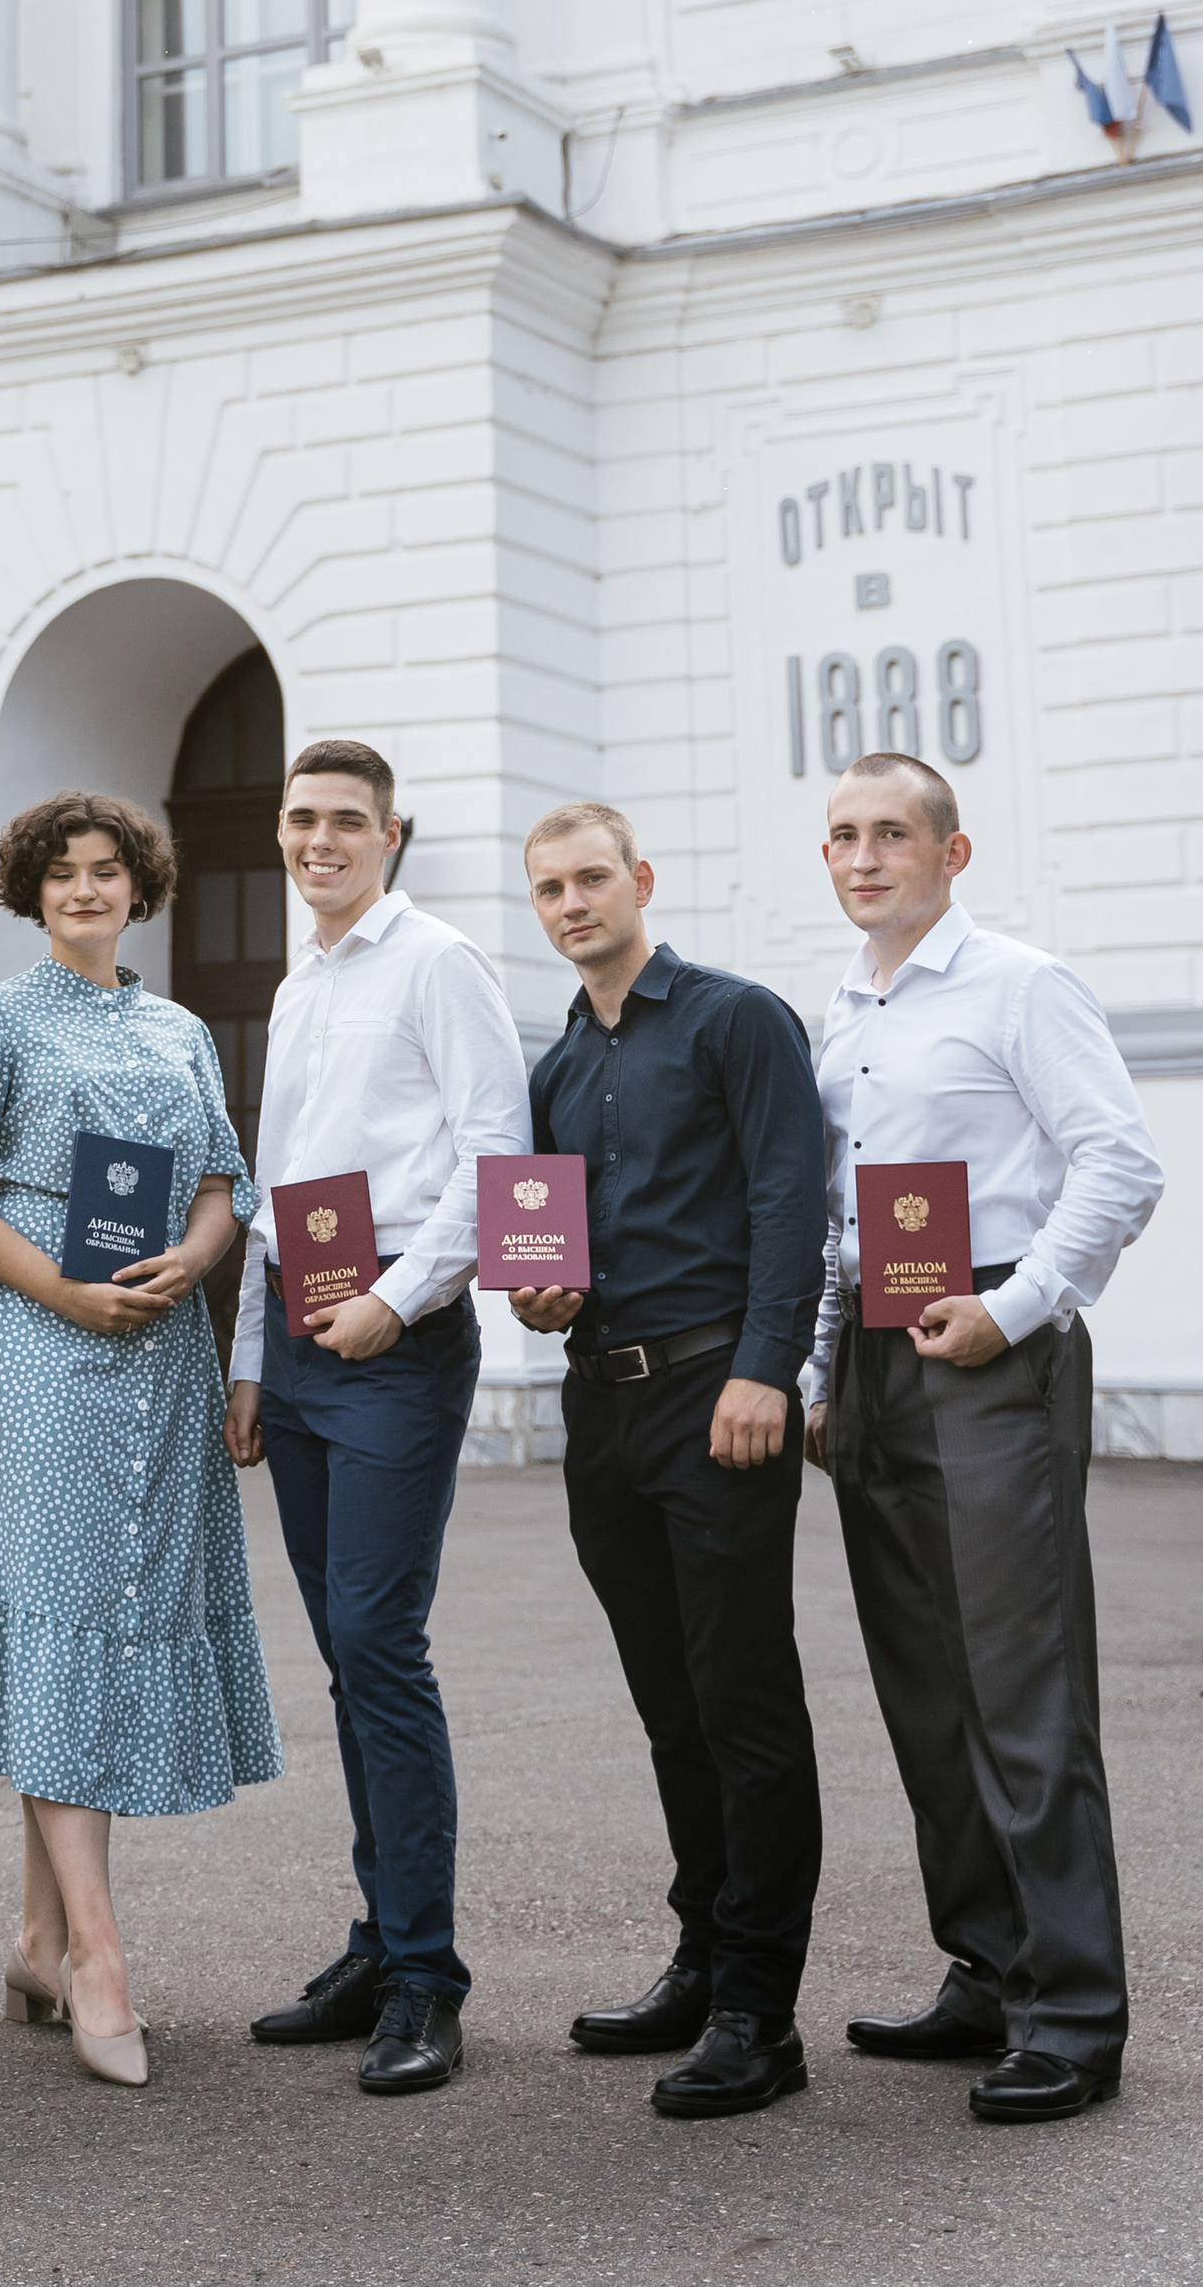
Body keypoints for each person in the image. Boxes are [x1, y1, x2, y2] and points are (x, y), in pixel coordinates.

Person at [0, 793, 281, 2092]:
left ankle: (34, 1938)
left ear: (138, 888)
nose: (84, 889)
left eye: (106, 870)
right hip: (38, 1347)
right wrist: (62, 1289)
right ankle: (100, 1956)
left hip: (160, 1344)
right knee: (64, 1616)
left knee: (100, 1624)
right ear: (31, 888)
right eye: (61, 873)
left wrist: (199, 1254)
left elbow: (227, 1183)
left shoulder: (178, 1030)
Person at [803, 754, 1163, 2124]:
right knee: (926, 1692)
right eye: (842, 836)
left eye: (891, 833)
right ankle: (988, 1966)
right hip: (877, 1375)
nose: (863, 856)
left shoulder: (1020, 984)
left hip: (992, 1358)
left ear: (952, 854)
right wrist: (821, 1370)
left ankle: (1073, 2014)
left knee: (1022, 1691)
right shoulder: (840, 1017)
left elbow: (1120, 1162)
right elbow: (843, 1224)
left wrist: (1014, 1309)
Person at [509, 803, 826, 2121]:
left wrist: (769, 1366)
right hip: (606, 1406)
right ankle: (701, 1958)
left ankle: (762, 2008)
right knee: (671, 1703)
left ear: (641, 881)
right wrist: (539, 1297)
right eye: (549, 890)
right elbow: (551, 1237)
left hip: (719, 1393)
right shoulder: (559, 1061)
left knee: (743, 1697)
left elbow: (789, 1194)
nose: (573, 903)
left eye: (593, 879)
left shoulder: (737, 1018)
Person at [225, 742, 530, 2097]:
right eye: (300, 822)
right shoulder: (302, 985)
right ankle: (377, 1938)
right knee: (349, 1658)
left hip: (393, 1346)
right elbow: (275, 1182)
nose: (320, 842)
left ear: (390, 835)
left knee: (378, 1643)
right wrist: (247, 1357)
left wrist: (400, 1306)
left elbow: (500, 1158)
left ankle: (426, 1978)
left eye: (346, 822)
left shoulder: (439, 962)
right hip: (298, 1341)